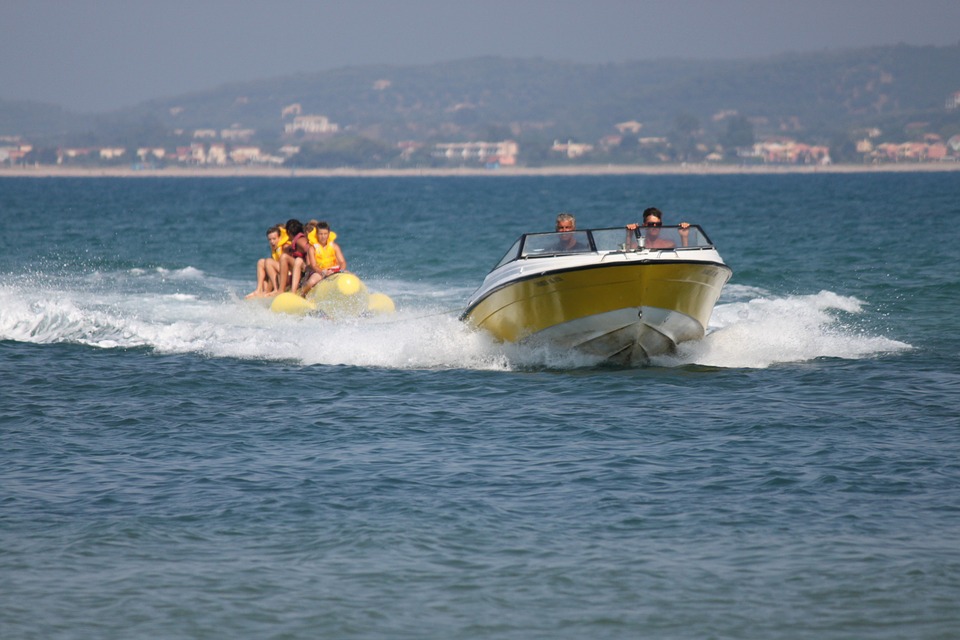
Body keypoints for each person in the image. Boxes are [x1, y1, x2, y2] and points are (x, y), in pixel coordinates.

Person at [301, 221, 347, 295]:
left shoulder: (334, 246)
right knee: (311, 282)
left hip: (334, 270)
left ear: (328, 234)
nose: (323, 236)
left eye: (325, 234)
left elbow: (342, 262)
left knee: (352, 276)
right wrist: (323, 272)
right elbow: (313, 265)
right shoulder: (312, 248)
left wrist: (341, 271)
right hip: (319, 271)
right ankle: (302, 295)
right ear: (317, 234)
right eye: (321, 234)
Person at [245, 224, 287, 298]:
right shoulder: (274, 248)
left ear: (280, 237)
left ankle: (276, 289)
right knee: (261, 262)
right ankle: (259, 290)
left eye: (274, 239)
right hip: (278, 272)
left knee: (268, 261)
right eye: (269, 240)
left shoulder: (285, 246)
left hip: (286, 274)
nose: (271, 242)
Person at [277, 219, 319, 293]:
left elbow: (309, 249)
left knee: (285, 257)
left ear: (288, 232)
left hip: (309, 267)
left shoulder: (300, 240)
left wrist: (310, 264)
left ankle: (281, 290)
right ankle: (287, 287)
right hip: (307, 268)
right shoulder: (297, 241)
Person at [626, 207, 691, 249]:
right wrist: (629, 235)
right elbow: (627, 257)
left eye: (658, 224)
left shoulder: (669, 245)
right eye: (651, 224)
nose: (655, 227)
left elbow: (683, 258)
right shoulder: (635, 246)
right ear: (644, 225)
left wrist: (684, 237)